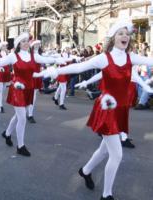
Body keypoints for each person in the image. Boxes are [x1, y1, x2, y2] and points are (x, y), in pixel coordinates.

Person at [34, 19, 153, 200]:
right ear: (113, 37)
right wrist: (53, 72)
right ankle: (107, 195)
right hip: (107, 110)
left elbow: (150, 61)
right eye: (120, 33)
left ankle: (85, 170)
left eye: (127, 34)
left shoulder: (131, 58)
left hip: (120, 110)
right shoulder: (104, 58)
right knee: (117, 154)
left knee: (105, 149)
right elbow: (79, 67)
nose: (125, 37)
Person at [0, 32, 65, 157]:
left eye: (27, 41)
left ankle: (7, 134)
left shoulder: (33, 55)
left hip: (29, 89)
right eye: (23, 41)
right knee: (22, 118)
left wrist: (57, 59)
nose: (26, 43)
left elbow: (46, 59)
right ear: (18, 44)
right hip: (18, 89)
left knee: (18, 116)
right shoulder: (13, 56)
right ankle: (20, 146)